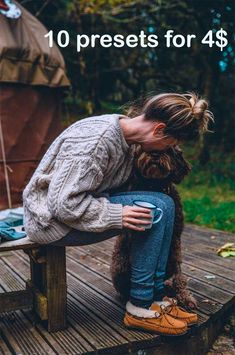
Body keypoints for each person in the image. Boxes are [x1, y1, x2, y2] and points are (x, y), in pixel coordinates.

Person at [23, 92, 214, 336]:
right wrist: (117, 214)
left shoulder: (125, 134)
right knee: (152, 212)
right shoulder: (94, 143)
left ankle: (156, 298)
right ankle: (140, 306)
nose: (170, 149)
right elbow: (63, 204)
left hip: (76, 209)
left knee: (165, 204)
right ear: (159, 130)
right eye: (171, 144)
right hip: (50, 221)